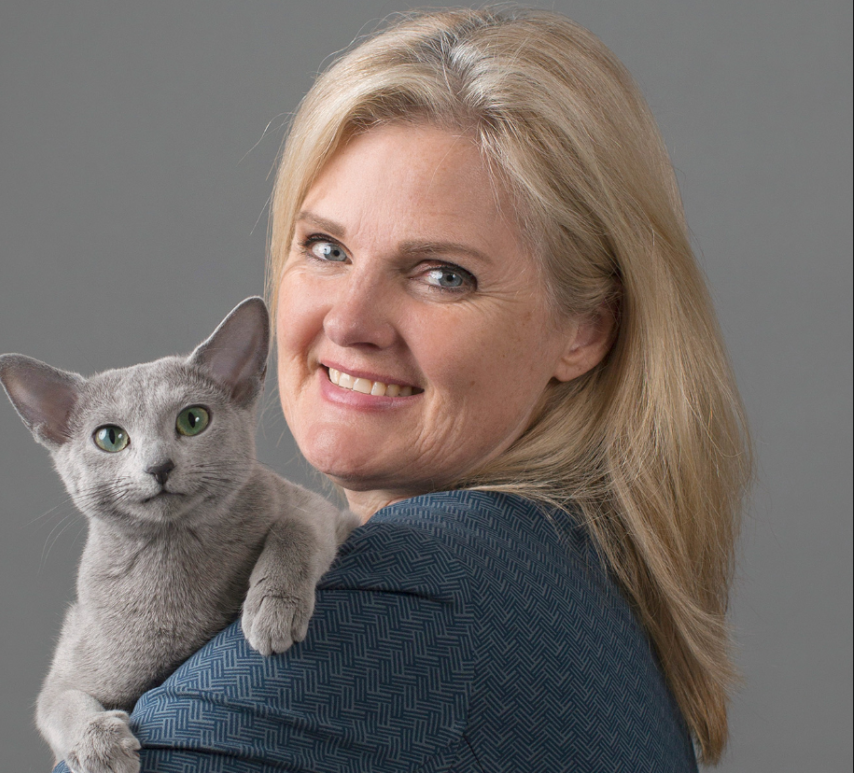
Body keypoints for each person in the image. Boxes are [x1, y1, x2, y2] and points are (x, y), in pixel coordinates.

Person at [55, 8, 751, 772]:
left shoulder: (409, 600)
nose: (349, 321)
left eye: (443, 274)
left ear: (584, 330)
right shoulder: (568, 563)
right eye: (326, 247)